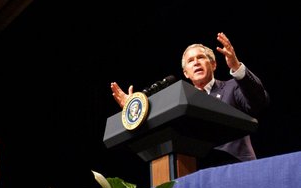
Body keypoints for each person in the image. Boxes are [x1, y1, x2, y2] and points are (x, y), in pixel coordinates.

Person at [110, 32, 269, 167]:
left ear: (213, 65)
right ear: (186, 73)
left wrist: (236, 67)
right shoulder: (181, 102)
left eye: (201, 58)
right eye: (191, 61)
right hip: (194, 172)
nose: (196, 63)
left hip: (236, 167)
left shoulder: (232, 87)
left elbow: (259, 101)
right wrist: (133, 108)